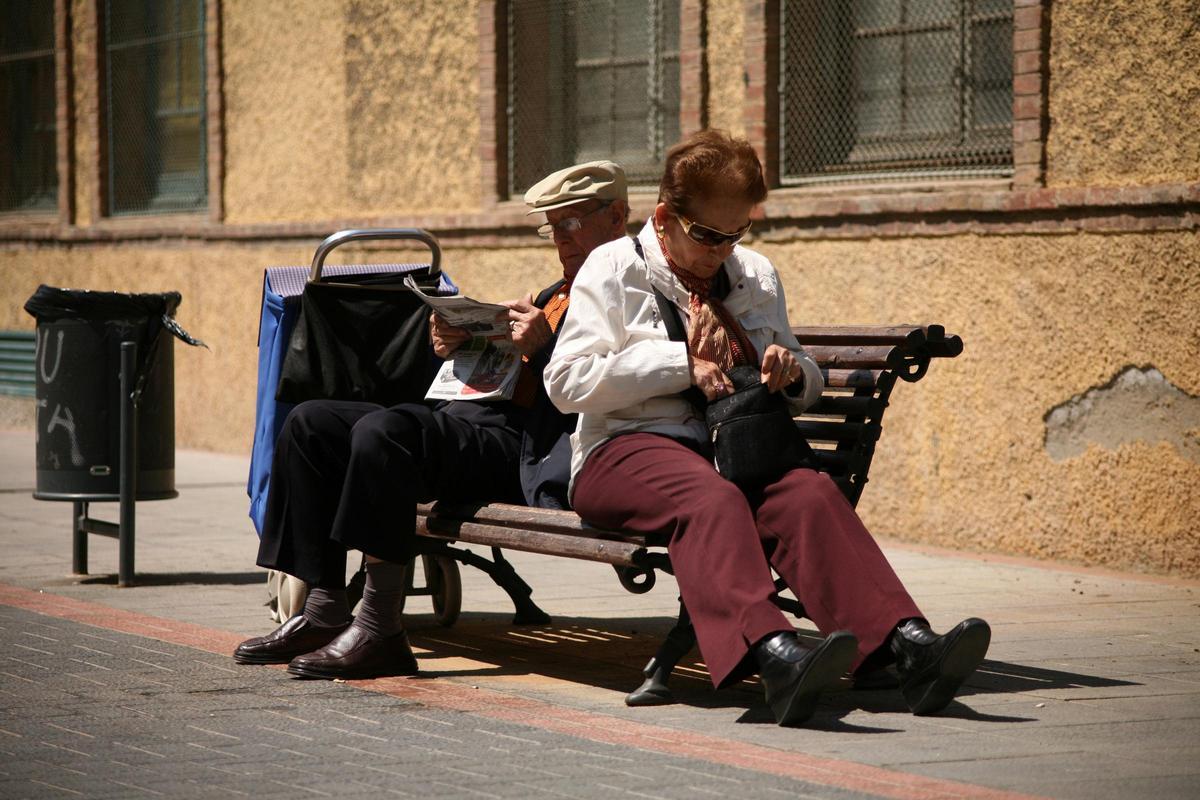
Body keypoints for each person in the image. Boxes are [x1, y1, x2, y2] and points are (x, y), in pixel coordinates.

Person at [544, 131, 990, 727]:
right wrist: (681, 365)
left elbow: (802, 369)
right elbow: (567, 382)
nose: (721, 250)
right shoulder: (614, 267)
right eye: (707, 235)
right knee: (710, 498)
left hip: (733, 447)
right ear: (663, 217)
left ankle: (908, 646)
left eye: (736, 233)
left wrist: (788, 370)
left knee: (807, 493)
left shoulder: (753, 274)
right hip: (623, 449)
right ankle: (774, 656)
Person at [233, 161, 630, 679]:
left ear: (617, 216)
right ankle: (325, 610)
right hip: (470, 423)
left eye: (570, 224)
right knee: (312, 424)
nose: (560, 239)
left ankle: (380, 629)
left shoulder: (629, 289)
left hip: (529, 448)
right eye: (551, 227)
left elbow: (614, 386)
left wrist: (545, 345)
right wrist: (455, 345)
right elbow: (504, 367)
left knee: (387, 433)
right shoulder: (556, 291)